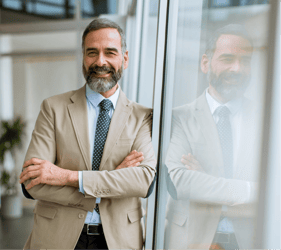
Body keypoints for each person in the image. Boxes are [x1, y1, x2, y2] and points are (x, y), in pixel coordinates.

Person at [19, 18, 157, 250]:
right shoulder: (53, 108)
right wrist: (113, 180)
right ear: (83, 57)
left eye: (110, 52)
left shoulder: (143, 116)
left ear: (125, 58)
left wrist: (67, 177)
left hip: (118, 240)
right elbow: (32, 183)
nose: (100, 61)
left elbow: (144, 181)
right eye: (92, 52)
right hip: (57, 238)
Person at [164, 24, 260, 249]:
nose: (237, 68)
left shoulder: (267, 118)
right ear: (205, 63)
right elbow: (178, 181)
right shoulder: (179, 118)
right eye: (228, 59)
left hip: (250, 241)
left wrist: (206, 177)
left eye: (245, 61)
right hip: (192, 240)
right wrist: (249, 190)